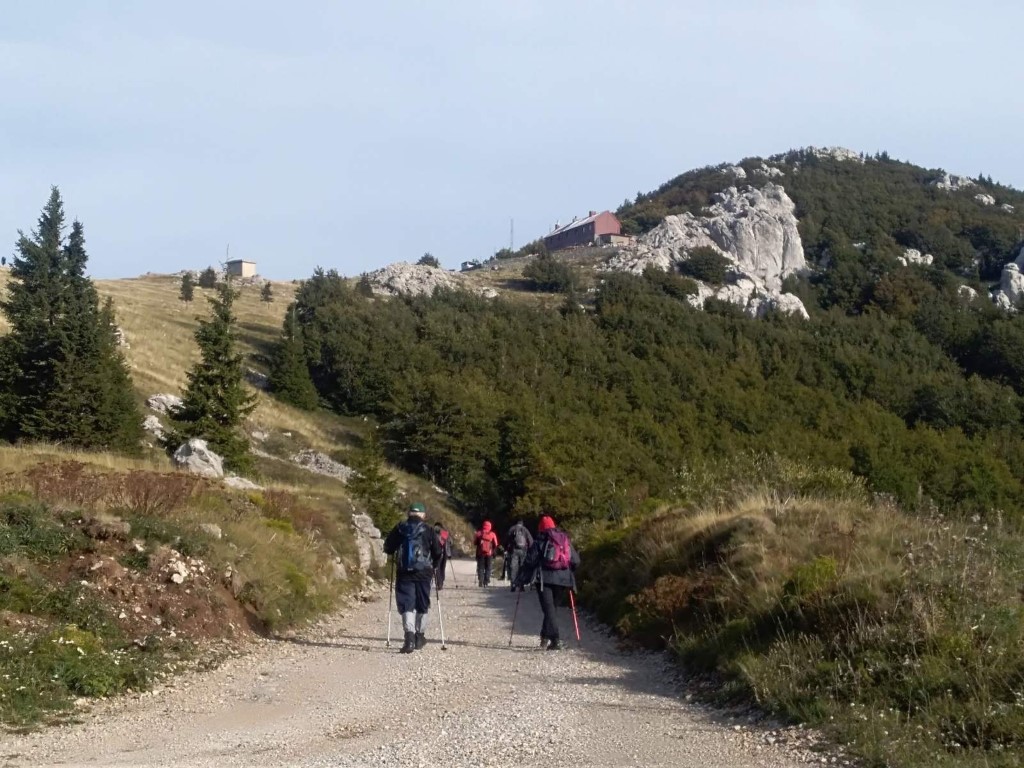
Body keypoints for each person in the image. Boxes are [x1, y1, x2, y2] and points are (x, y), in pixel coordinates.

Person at [512, 515, 580, 650]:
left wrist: (521, 578)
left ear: (541, 528)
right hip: (563, 580)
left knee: (549, 610)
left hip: (545, 580)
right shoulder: (564, 539)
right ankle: (544, 638)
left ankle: (556, 640)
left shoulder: (540, 540)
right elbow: (576, 561)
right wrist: (567, 572)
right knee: (551, 610)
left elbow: (530, 561)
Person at [383, 502, 443, 653]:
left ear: (409, 513)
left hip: (404, 572)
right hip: (424, 572)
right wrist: (435, 565)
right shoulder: (429, 529)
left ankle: (409, 638)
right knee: (422, 603)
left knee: (406, 603)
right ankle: (419, 637)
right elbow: (437, 551)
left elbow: (388, 548)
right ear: (423, 515)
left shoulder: (400, 528)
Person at [505, 519, 533, 587]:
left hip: (514, 550)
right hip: (523, 550)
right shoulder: (525, 529)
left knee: (514, 567)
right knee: (522, 566)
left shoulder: (512, 529)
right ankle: (521, 585)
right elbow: (530, 541)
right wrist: (530, 550)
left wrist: (506, 548)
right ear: (522, 523)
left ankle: (513, 583)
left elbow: (507, 539)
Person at [474, 520, 499, 587]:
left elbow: (475, 543)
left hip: (480, 553)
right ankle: (486, 581)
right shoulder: (492, 534)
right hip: (489, 554)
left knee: (480, 567)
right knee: (488, 568)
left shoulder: (479, 533)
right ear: (490, 526)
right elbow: (496, 544)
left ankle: (481, 580)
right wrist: (494, 552)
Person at [433, 521, 452, 590]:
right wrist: (449, 554)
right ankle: (441, 582)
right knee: (442, 568)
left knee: (437, 568)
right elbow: (450, 542)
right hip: (445, 553)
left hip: (437, 553)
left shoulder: (433, 533)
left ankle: (439, 583)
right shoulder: (445, 533)